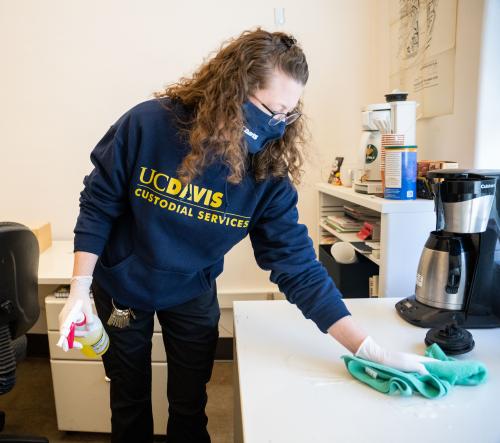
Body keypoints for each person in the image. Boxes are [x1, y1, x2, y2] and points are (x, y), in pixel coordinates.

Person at [57, 28, 434, 443]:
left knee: (190, 403)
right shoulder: (149, 125)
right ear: (230, 88)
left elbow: (297, 267)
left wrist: (366, 348)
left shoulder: (266, 172)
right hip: (123, 283)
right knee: (128, 402)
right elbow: (99, 203)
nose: (275, 124)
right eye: (268, 109)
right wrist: (80, 287)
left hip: (192, 286)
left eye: (286, 115)